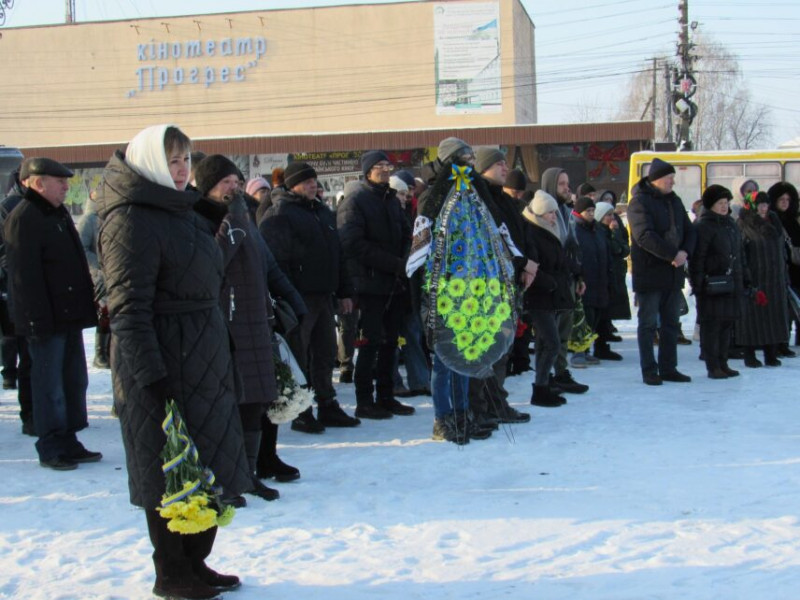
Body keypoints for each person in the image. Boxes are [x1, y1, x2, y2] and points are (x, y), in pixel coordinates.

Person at [97, 125, 250, 598]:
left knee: (205, 461)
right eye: (172, 162)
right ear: (149, 165)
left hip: (201, 353)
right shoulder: (130, 220)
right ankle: (171, 571)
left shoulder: (180, 211)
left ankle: (195, 561)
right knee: (168, 468)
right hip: (163, 363)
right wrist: (151, 376)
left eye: (186, 160)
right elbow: (128, 309)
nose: (182, 170)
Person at [193, 154, 295, 503]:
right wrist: (232, 224)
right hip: (226, 323)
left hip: (255, 320)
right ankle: (227, 479)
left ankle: (249, 474)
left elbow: (265, 262)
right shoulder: (202, 217)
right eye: (226, 183)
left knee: (255, 402)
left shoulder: (244, 216)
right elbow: (213, 262)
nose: (233, 189)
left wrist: (289, 298)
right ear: (207, 186)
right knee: (231, 405)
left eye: (236, 183)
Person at [409, 137, 516, 444]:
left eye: (471, 159)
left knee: (467, 352)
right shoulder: (434, 193)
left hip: (473, 289)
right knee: (444, 357)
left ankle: (463, 412)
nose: (469, 164)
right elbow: (424, 238)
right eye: (462, 159)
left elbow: (493, 228)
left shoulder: (473, 195)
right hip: (444, 289)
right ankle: (443, 417)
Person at [4, 157, 100, 470]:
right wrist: (34, 320)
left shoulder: (55, 214)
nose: (65, 187)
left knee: (72, 382)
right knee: (50, 386)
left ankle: (69, 438)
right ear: (37, 183)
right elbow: (24, 277)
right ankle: (51, 444)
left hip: (68, 315)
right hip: (45, 321)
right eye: (59, 181)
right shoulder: (25, 217)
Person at [260, 161, 360, 432]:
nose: (312, 185)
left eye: (313, 180)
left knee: (325, 354)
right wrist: (289, 297)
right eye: (305, 181)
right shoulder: (279, 214)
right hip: (298, 299)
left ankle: (327, 405)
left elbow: (338, 254)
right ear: (291, 185)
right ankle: (302, 411)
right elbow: (276, 262)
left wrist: (344, 291)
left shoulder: (323, 212)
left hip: (324, 297)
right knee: (299, 356)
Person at [338, 151, 415, 419]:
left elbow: (407, 233)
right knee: (370, 342)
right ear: (368, 171)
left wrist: (406, 259)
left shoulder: (392, 200)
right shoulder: (356, 201)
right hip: (370, 284)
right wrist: (394, 264)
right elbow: (352, 244)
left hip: (394, 283)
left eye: (387, 165)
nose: (385, 170)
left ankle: (386, 395)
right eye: (379, 166)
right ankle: (364, 400)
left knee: (391, 342)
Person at [628, 158, 696, 386]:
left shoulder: (674, 201)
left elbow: (689, 230)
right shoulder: (639, 202)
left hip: (673, 273)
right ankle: (649, 369)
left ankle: (669, 368)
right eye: (669, 178)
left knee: (670, 324)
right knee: (648, 325)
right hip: (650, 273)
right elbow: (644, 236)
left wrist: (685, 251)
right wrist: (672, 254)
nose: (673, 182)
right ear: (656, 179)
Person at [522, 190, 577, 407]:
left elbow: (561, 260)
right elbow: (533, 264)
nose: (555, 216)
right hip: (539, 296)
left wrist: (577, 272)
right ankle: (540, 388)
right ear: (541, 213)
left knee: (546, 343)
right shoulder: (534, 232)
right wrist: (550, 282)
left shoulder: (550, 230)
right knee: (552, 343)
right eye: (551, 213)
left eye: (555, 212)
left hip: (551, 295)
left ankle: (543, 385)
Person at [538, 167, 590, 392]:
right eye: (561, 184)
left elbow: (574, 246)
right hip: (550, 282)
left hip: (568, 278)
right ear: (550, 185)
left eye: (567, 183)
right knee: (549, 335)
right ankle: (545, 376)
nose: (567, 188)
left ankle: (560, 371)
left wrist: (579, 275)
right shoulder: (542, 212)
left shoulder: (567, 212)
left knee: (564, 331)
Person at [688, 185, 746, 379]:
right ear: (711, 205)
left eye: (726, 203)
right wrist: (698, 284)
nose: (724, 206)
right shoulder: (703, 225)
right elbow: (698, 257)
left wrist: (744, 277)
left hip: (731, 283)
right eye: (720, 203)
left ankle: (723, 362)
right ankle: (713, 365)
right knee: (712, 326)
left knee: (726, 325)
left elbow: (739, 253)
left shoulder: (730, 223)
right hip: (712, 284)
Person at [736, 191, 790, 368]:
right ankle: (750, 354)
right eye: (759, 204)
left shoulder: (774, 220)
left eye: (766, 204)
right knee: (753, 317)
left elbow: (781, 247)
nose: (763, 208)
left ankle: (771, 353)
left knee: (773, 316)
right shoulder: (744, 223)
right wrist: (745, 276)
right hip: (756, 276)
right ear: (751, 205)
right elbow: (740, 251)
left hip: (775, 277)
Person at [0, 168, 34, 435]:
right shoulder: (14, 209)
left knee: (23, 349)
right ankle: (30, 414)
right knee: (24, 351)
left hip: (15, 290)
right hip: (16, 289)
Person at [572, 196, 619, 362]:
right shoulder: (575, 230)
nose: (591, 214)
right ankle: (578, 351)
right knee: (583, 317)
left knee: (595, 317)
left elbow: (606, 254)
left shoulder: (597, 230)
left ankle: (585, 351)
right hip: (585, 281)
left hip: (600, 281)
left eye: (593, 211)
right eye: (588, 211)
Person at [76, 188, 110, 369]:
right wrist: (98, 266)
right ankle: (100, 353)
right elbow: (81, 248)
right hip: (98, 274)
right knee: (104, 312)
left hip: (113, 272)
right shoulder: (89, 219)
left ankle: (109, 351)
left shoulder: (110, 215)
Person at [768, 181, 800, 353]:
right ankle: (782, 343)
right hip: (781, 271)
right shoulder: (772, 221)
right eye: (781, 199)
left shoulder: (794, 220)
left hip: (795, 270)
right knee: (784, 311)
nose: (785, 202)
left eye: (788, 199)